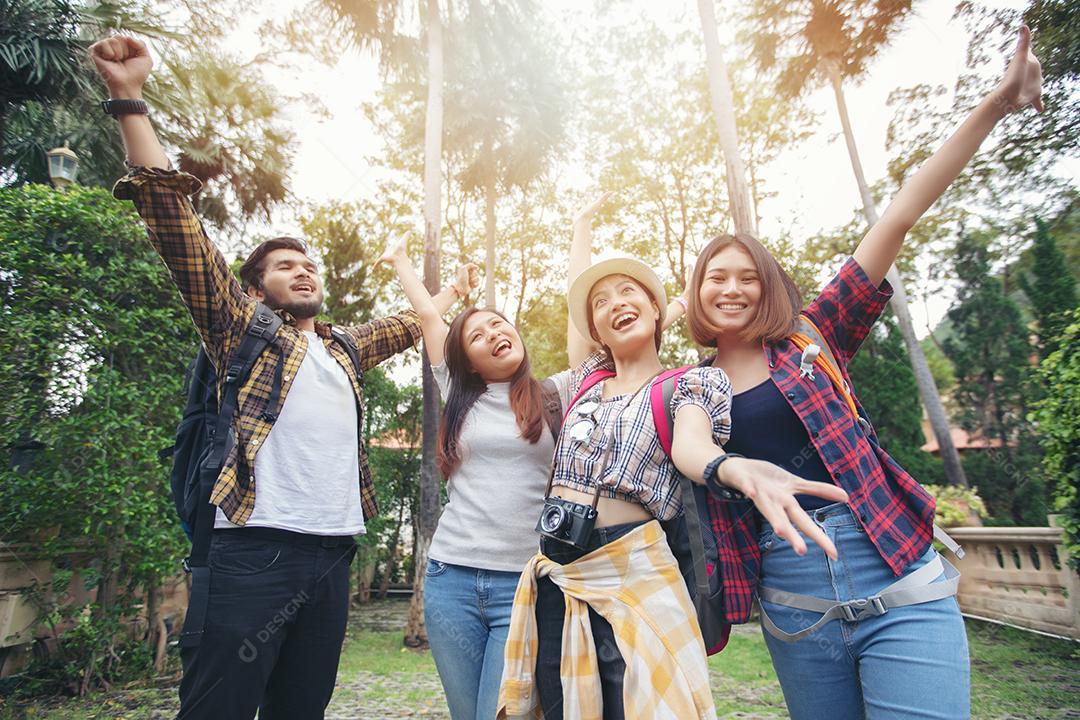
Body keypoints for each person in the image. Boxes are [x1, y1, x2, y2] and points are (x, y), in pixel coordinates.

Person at [88, 36, 466, 720]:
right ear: (256, 289)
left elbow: (412, 325)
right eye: (285, 265)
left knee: (302, 710)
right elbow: (173, 223)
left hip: (329, 558)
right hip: (249, 551)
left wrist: (450, 294)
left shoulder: (342, 350)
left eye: (309, 265)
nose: (304, 270)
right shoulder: (243, 331)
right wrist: (129, 100)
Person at [677, 26, 1044, 720]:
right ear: (696, 293)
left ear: (768, 287)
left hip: (892, 563)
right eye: (715, 278)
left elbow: (901, 214)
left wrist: (996, 102)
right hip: (794, 596)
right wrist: (739, 470)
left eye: (747, 277)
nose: (732, 289)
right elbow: (689, 445)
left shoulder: (814, 336)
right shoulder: (693, 383)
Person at [497, 196, 847, 720]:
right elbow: (586, 301)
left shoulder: (689, 383)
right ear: (594, 329)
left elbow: (692, 446)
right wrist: (580, 227)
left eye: (629, 292)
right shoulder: (587, 383)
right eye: (601, 302)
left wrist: (731, 468)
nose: (615, 303)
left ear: (658, 308)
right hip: (559, 577)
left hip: (633, 574)